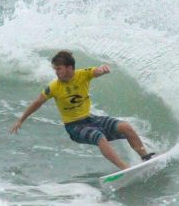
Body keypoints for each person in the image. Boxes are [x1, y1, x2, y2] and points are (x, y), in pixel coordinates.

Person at [10, 50, 154, 170]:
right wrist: (21, 120)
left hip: (90, 119)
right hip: (74, 127)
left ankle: (145, 157)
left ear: (69, 68)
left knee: (125, 127)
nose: (56, 72)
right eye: (55, 69)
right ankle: (125, 169)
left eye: (59, 69)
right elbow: (37, 102)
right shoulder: (54, 87)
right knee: (99, 137)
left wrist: (102, 69)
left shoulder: (82, 75)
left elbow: (95, 71)